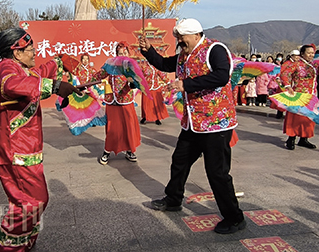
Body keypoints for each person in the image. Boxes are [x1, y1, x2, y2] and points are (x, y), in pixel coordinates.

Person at [139, 18, 245, 234]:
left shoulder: (214, 49)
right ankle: (174, 198)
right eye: (178, 38)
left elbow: (221, 76)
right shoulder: (184, 55)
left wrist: (185, 84)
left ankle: (234, 217)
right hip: (193, 121)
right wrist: (148, 51)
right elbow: (164, 64)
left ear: (196, 34)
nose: (180, 41)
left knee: (217, 172)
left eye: (182, 38)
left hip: (215, 122)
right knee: (180, 160)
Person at [0, 28, 80, 251]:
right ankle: (3, 247)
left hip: (23, 147)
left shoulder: (21, 68)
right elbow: (12, 85)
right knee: (32, 201)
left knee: (28, 202)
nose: (34, 52)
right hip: (13, 149)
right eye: (30, 49)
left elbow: (38, 73)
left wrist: (58, 61)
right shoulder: (6, 69)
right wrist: (55, 86)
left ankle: (23, 242)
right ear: (16, 52)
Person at [95, 41, 141, 165]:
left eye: (125, 53)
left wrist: (133, 83)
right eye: (120, 53)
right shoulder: (110, 66)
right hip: (112, 101)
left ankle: (130, 150)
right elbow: (99, 75)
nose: (123, 55)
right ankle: (107, 150)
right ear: (116, 55)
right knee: (112, 129)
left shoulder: (132, 67)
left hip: (126, 100)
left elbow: (138, 80)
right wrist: (86, 84)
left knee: (128, 127)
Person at [281, 45, 319, 150]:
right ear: (302, 54)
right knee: (296, 118)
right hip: (298, 95)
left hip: (311, 96)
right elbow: (284, 74)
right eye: (309, 53)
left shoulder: (313, 66)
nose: (311, 55)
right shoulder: (296, 64)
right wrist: (288, 86)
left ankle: (303, 139)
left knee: (308, 119)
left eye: (312, 53)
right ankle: (291, 139)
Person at [139, 58, 169, 125]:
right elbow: (140, 77)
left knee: (156, 104)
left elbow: (162, 75)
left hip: (155, 87)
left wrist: (168, 82)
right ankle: (145, 117)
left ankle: (157, 118)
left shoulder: (156, 67)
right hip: (147, 89)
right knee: (146, 104)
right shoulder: (144, 68)